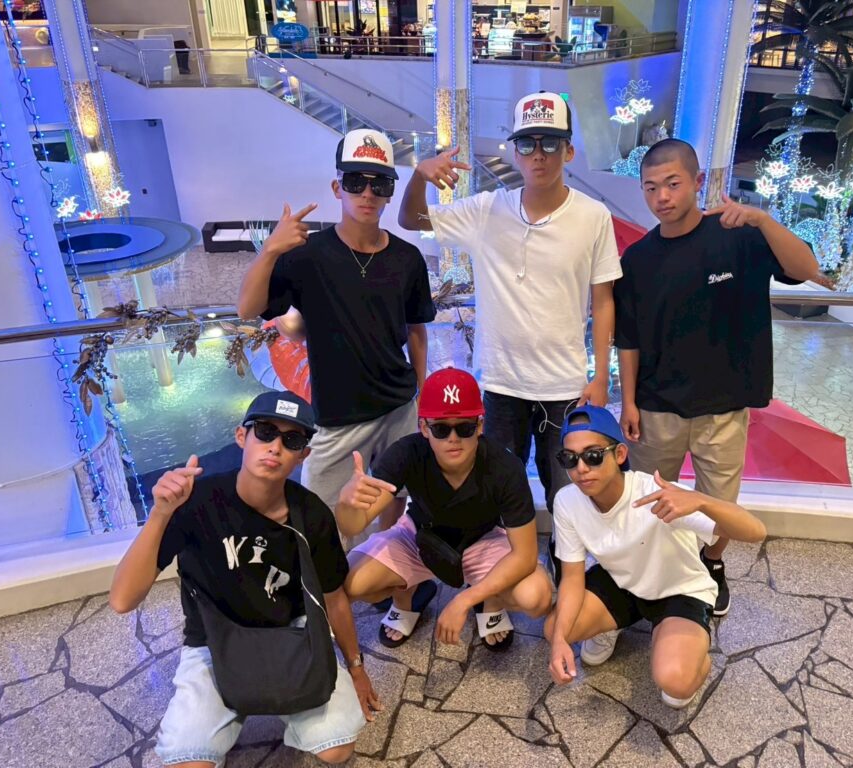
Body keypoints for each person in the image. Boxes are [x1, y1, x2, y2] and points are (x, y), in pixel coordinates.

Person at [398, 91, 622, 571]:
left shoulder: (593, 216)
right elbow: (410, 218)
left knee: (568, 488)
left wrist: (601, 374)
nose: (538, 154)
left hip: (564, 386)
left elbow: (603, 299)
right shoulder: (486, 210)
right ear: (514, 151)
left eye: (550, 143)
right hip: (500, 383)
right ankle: (498, 570)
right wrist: (419, 175)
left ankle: (567, 566)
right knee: (497, 486)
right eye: (527, 143)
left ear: (569, 150)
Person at [109, 391, 375, 767]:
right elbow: (122, 599)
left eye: (292, 440)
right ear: (241, 436)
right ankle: (230, 709)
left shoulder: (311, 514)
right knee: (188, 760)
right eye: (265, 431)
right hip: (213, 640)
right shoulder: (197, 502)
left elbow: (333, 598)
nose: (275, 446)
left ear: (303, 454)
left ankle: (279, 704)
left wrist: (357, 668)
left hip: (290, 635)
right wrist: (160, 514)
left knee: (336, 746)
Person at [614, 138, 819, 615]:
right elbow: (629, 338)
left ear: (698, 181)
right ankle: (654, 567)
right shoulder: (638, 260)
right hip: (657, 405)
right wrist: (628, 401)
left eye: (673, 184)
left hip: (723, 407)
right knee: (648, 497)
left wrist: (763, 219)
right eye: (651, 188)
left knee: (720, 502)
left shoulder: (739, 236)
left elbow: (806, 268)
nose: (662, 197)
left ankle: (711, 562)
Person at [238, 129, 436, 536]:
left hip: (399, 406)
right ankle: (335, 576)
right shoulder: (308, 256)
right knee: (323, 520)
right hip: (336, 417)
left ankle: (386, 560)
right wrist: (271, 250)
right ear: (337, 187)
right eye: (355, 181)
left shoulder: (407, 258)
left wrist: (420, 392)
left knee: (395, 497)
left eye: (379, 184)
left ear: (390, 192)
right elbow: (248, 308)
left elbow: (416, 328)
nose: (367, 193)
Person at [545, 405, 766, 708]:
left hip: (678, 589)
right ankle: (611, 625)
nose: (581, 468)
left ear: (620, 454)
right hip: (622, 582)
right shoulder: (567, 501)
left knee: (675, 684)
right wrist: (559, 641)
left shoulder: (656, 493)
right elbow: (572, 577)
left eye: (593, 455)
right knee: (555, 629)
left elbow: (756, 532)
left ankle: (687, 651)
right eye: (569, 459)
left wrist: (701, 501)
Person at [336, 368, 553, 650]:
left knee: (536, 597)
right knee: (351, 582)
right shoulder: (406, 453)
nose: (453, 438)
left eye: (464, 427)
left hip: (483, 540)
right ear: (424, 428)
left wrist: (464, 600)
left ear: (480, 425)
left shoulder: (504, 467)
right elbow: (353, 525)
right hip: (419, 535)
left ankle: (491, 601)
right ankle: (406, 597)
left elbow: (525, 556)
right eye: (441, 428)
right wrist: (347, 503)